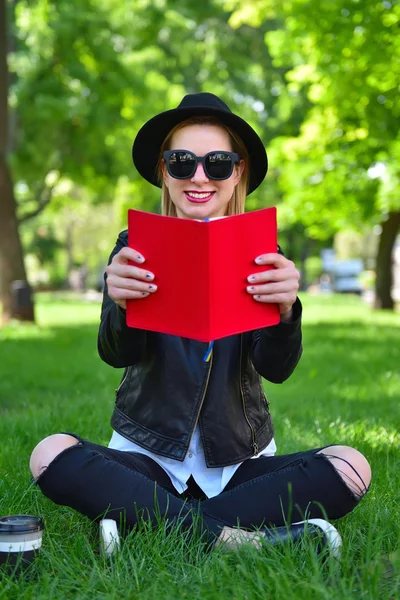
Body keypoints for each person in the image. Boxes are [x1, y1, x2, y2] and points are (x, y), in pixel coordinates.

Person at [30, 93, 371, 552]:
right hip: (147, 459)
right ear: (163, 171)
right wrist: (120, 303)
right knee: (49, 453)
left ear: (239, 173)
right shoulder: (133, 248)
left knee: (352, 465)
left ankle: (149, 520)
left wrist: (287, 312)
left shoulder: (266, 257)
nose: (198, 177)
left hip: (239, 467)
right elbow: (116, 354)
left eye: (218, 163)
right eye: (182, 162)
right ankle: (240, 540)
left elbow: (277, 368)